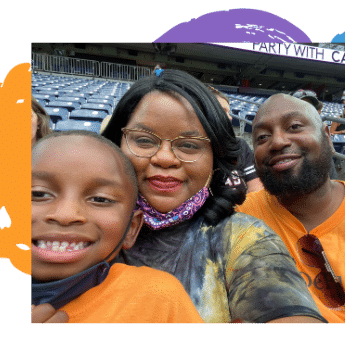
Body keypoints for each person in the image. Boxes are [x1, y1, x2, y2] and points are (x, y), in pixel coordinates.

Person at [102, 70, 326, 324]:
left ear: (215, 160)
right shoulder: (78, 225)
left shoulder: (241, 238)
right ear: (115, 144)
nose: (164, 158)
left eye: (189, 144)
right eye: (143, 140)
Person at [236, 94, 345, 324]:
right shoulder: (237, 223)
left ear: (327, 137)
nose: (277, 142)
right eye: (262, 137)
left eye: (294, 126)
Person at [31, 131, 204, 324]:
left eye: (100, 199)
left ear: (131, 228)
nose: (66, 215)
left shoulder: (156, 298)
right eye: (38, 194)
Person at [207, 87, 263, 193]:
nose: (230, 117)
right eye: (223, 111)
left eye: (229, 112)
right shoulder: (189, 149)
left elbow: (255, 188)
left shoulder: (240, 145)